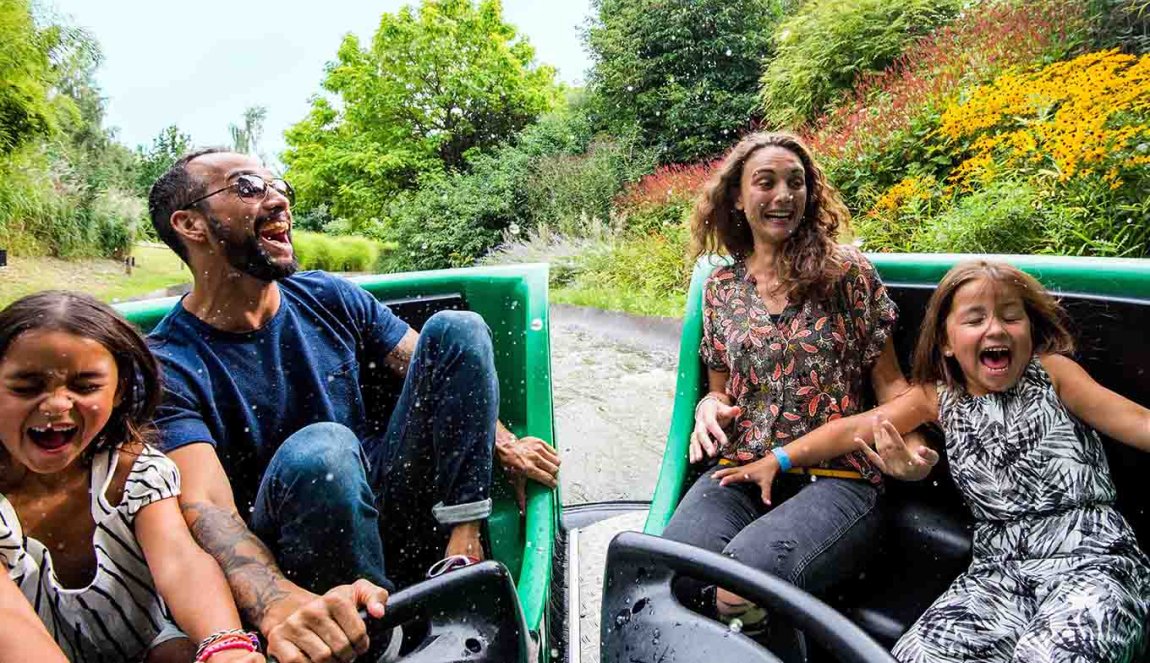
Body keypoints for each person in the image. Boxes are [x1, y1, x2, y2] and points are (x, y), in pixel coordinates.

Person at [145, 148, 560, 663]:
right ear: (191, 225)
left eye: (279, 187)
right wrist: (274, 605)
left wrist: (504, 444)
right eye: (249, 187)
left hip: (388, 498)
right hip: (295, 550)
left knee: (458, 329)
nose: (278, 201)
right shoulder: (167, 366)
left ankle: (462, 554)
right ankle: (377, 641)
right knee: (324, 450)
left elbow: (432, 364)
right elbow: (208, 510)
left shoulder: (327, 295)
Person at [660, 132, 930, 656]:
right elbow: (720, 392)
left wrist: (913, 456)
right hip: (742, 467)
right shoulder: (721, 289)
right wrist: (706, 408)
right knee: (680, 571)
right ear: (737, 197)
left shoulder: (847, 273)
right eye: (766, 182)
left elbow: (894, 387)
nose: (784, 195)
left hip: (840, 478)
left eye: (796, 183)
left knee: (743, 587)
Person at [805, 261, 1149, 662]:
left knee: (1051, 656)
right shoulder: (938, 398)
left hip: (1092, 559)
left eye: (1010, 317)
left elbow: (1140, 423)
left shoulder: (1053, 376)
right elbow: (852, 430)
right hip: (999, 572)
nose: (996, 329)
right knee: (916, 655)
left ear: (1031, 331)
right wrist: (776, 459)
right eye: (975, 319)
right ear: (947, 341)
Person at [0, 291, 264, 663]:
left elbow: (179, 559)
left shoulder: (135, 471)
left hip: (148, 643)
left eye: (85, 386)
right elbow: (9, 622)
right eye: (26, 387)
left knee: (180, 653)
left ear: (119, 390)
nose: (57, 404)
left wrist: (225, 645)